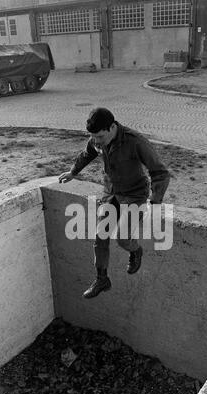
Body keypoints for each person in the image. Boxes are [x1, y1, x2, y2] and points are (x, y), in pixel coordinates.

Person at [59, 108, 170, 299]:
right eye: (94, 137)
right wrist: (73, 172)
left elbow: (160, 172)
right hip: (112, 193)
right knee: (100, 236)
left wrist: (156, 199)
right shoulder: (97, 139)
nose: (97, 141)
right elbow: (87, 153)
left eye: (101, 136)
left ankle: (136, 251)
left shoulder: (135, 141)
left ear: (112, 127)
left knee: (122, 238)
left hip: (135, 195)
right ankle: (102, 279)